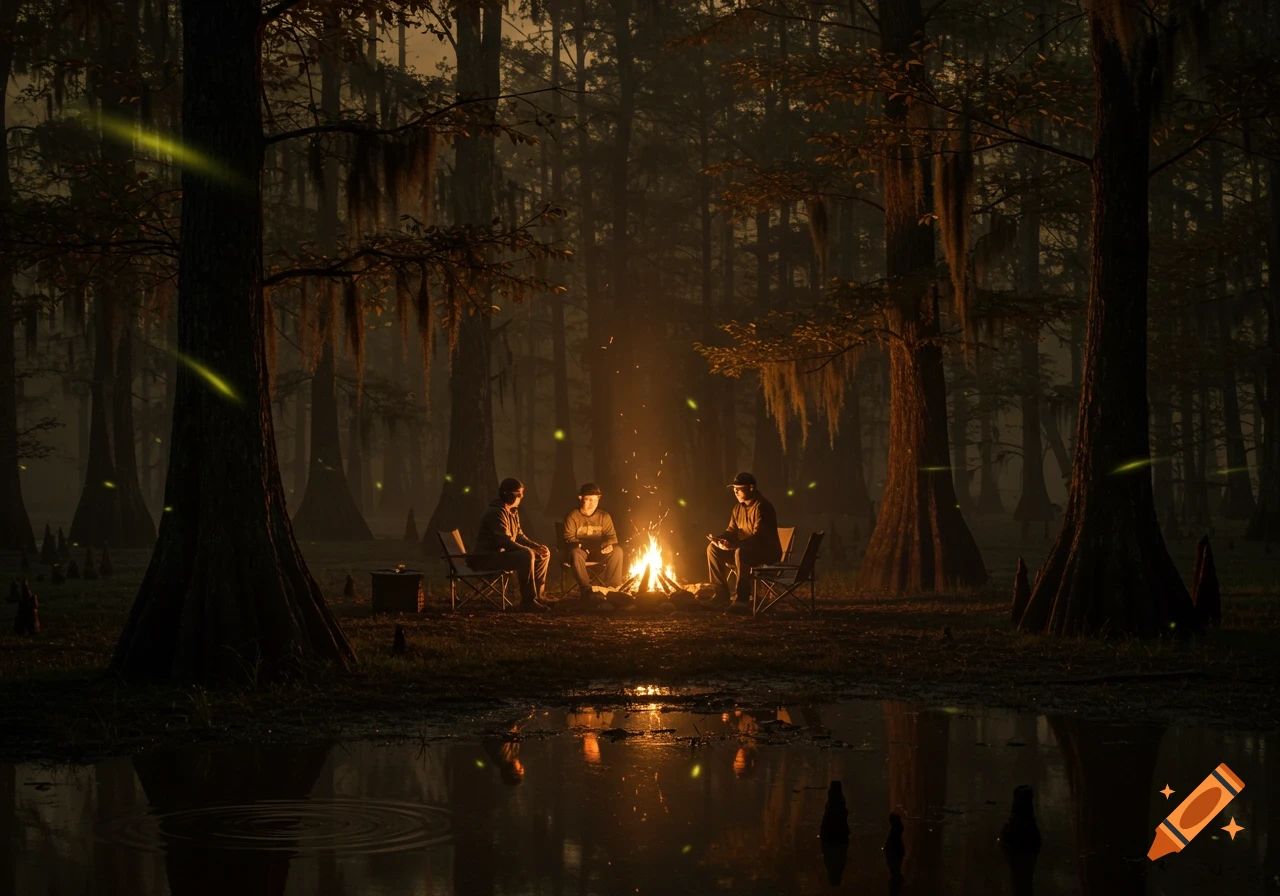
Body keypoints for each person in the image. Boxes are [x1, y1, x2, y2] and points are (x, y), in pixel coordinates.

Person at [472, 478, 551, 611]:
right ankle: (528, 601)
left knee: (544, 552)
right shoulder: (496, 513)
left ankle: (538, 595)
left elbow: (519, 536)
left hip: (500, 556)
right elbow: (505, 542)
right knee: (526, 555)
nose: (521, 497)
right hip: (487, 558)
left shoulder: (512, 511)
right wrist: (530, 551)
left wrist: (536, 546)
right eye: (518, 494)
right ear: (508, 495)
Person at [707, 471, 781, 606]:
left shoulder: (762, 507)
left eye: (739, 489)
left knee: (741, 552)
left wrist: (736, 546)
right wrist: (720, 539)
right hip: (744, 551)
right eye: (734, 489)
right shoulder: (737, 509)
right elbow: (731, 530)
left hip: (765, 553)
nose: (735, 492)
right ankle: (721, 594)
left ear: (751, 488)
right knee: (713, 549)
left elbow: (760, 537)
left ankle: (742, 598)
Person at [562, 482, 624, 600]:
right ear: (581, 499)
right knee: (575, 553)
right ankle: (586, 590)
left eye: (595, 500)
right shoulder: (572, 516)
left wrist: (609, 545)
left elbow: (611, 537)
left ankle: (613, 588)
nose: (592, 503)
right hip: (581, 551)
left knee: (617, 551)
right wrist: (582, 546)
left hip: (599, 551)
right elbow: (569, 538)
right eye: (589, 499)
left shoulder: (604, 516)